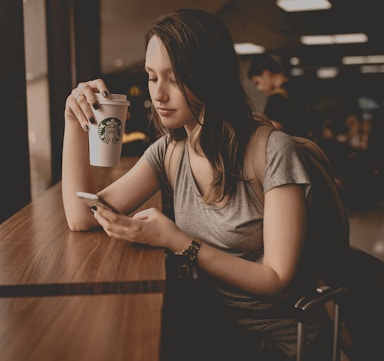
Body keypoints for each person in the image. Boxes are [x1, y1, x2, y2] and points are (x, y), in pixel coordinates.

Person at [63, 9, 334, 361]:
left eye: (173, 79)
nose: (158, 94)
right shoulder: (170, 153)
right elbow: (82, 216)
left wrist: (178, 241)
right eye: (151, 77)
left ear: (210, 77)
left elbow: (276, 280)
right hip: (212, 326)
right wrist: (73, 121)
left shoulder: (273, 153)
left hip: (279, 340)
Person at [247, 53, 308, 137]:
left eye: (257, 83)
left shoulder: (276, 98)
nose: (259, 88)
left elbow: (272, 130)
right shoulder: (299, 88)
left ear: (266, 74)